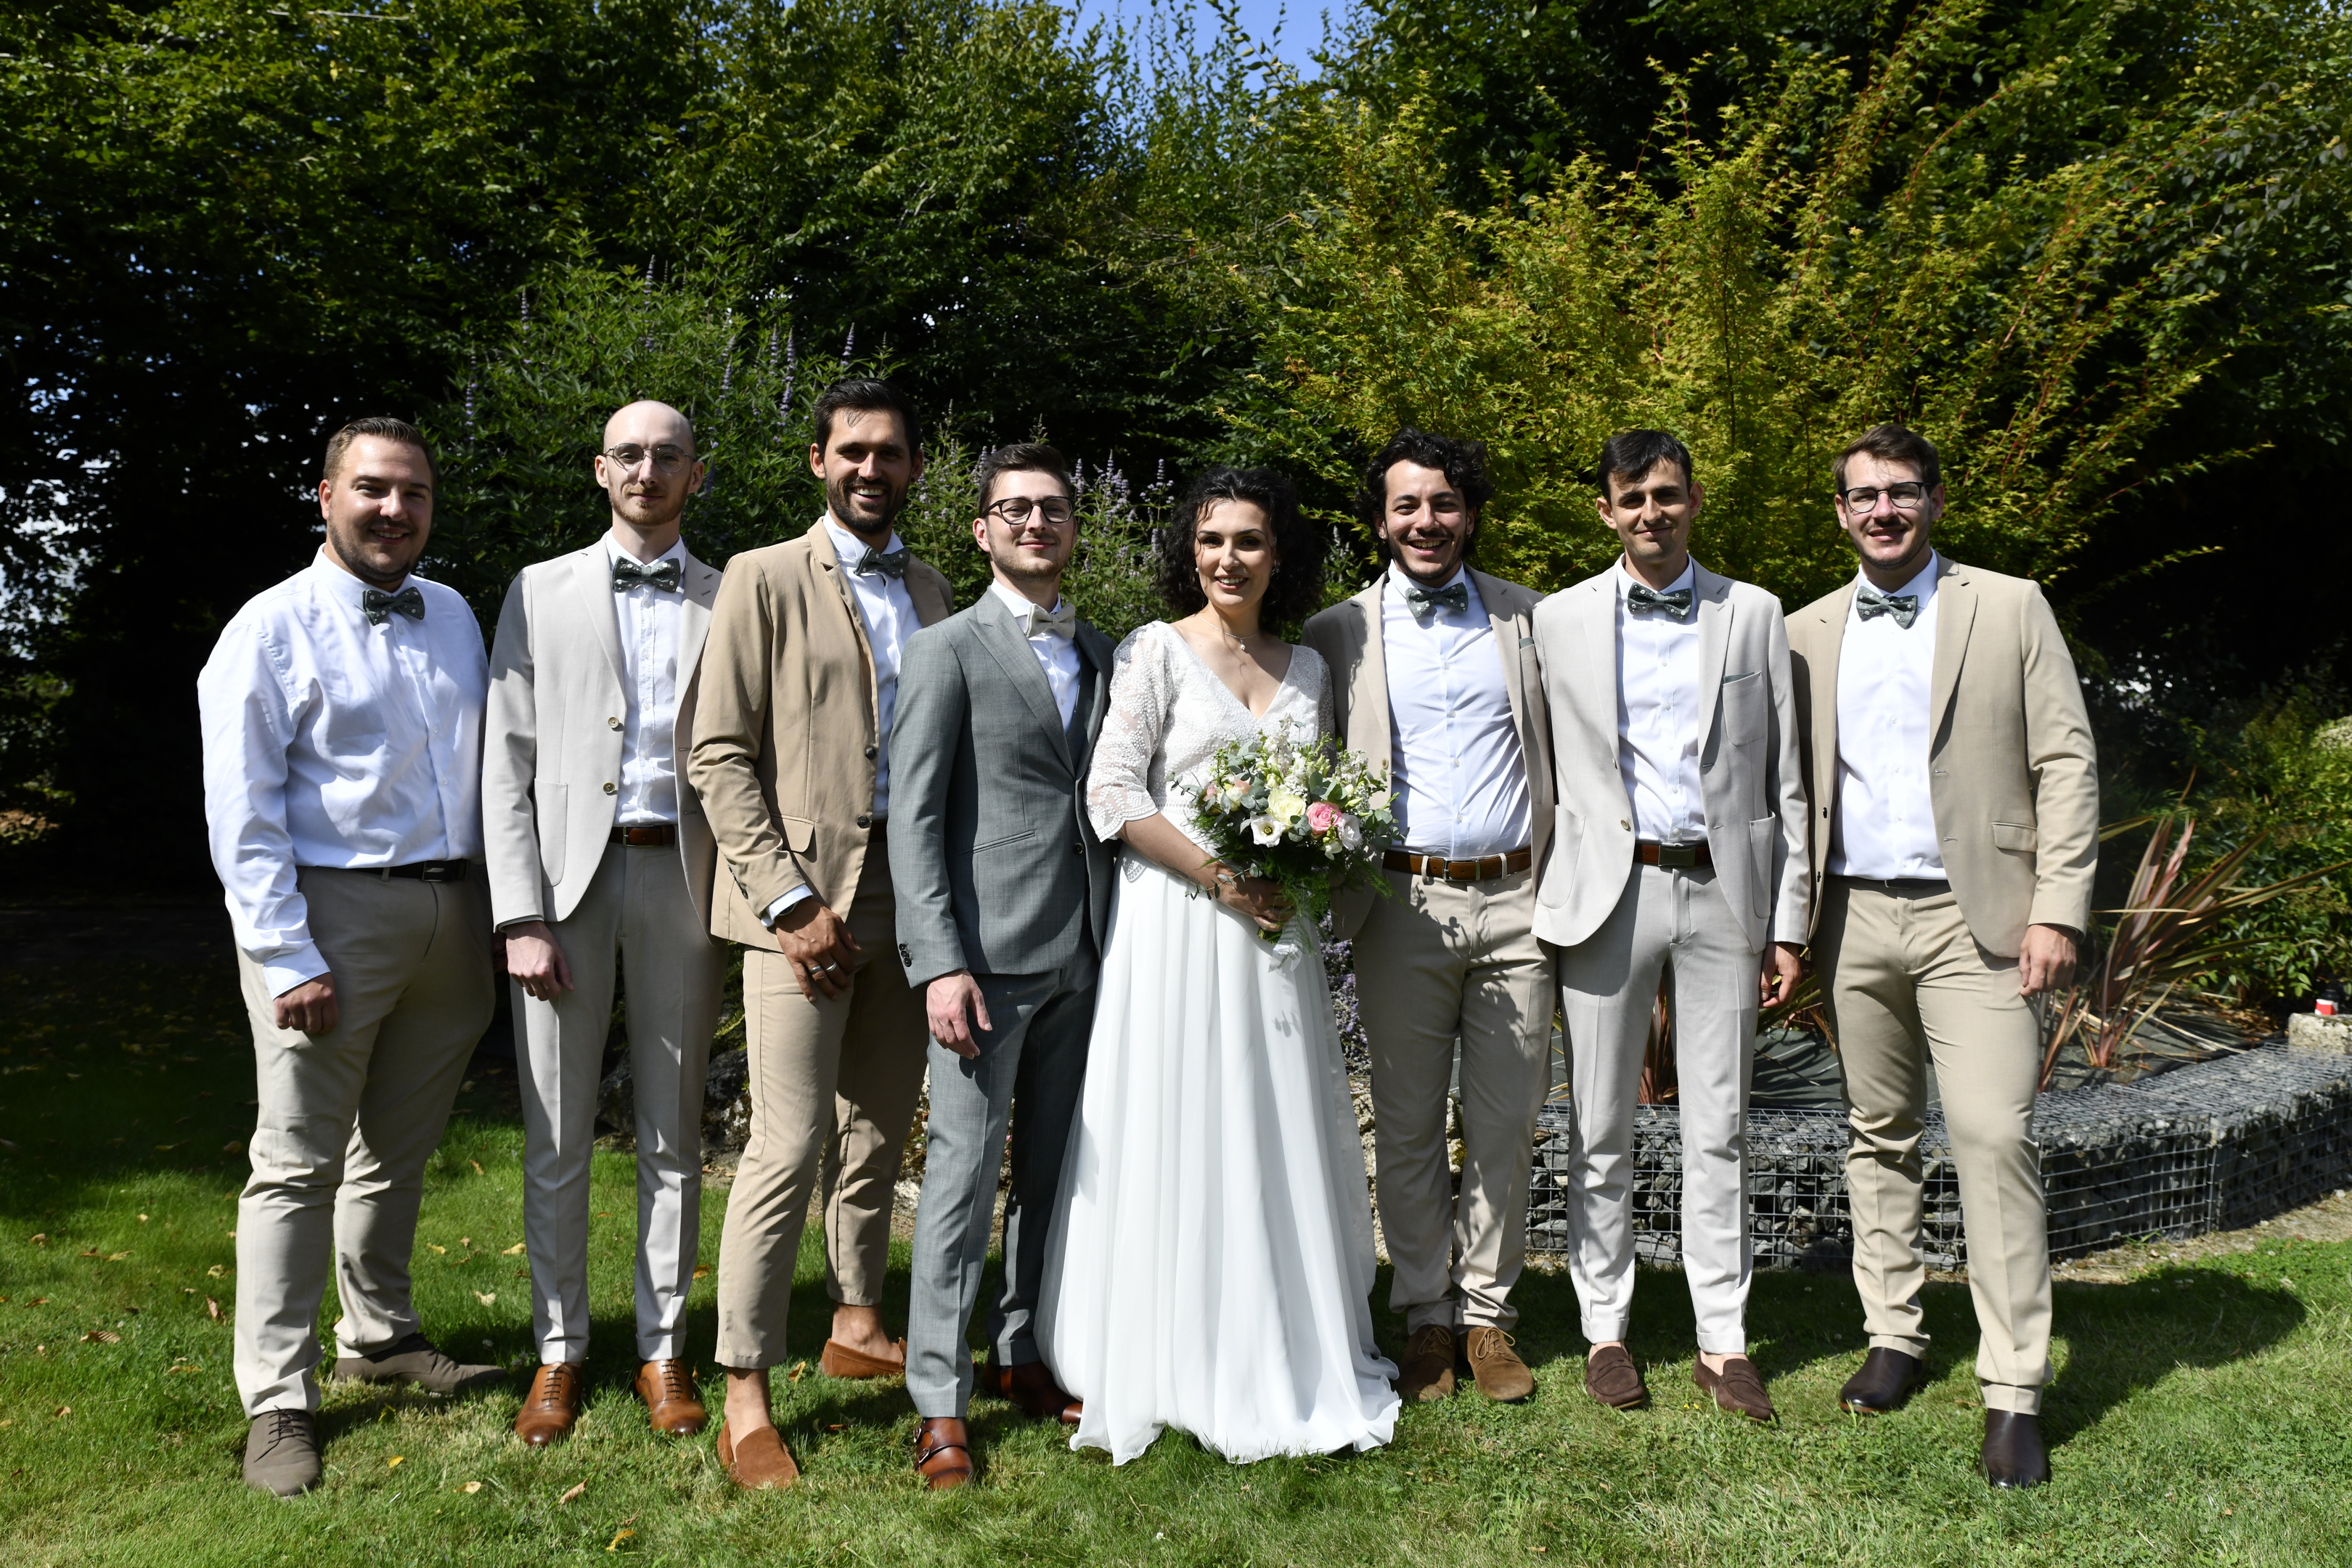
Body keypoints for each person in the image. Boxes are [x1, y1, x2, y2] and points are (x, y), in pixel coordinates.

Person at [1039, 466, 1402, 1465]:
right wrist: (1222, 878)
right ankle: (1165, 1349)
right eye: (1211, 540)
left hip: (1275, 937)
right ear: (1188, 552)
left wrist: (1306, 859)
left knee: (1272, 1122)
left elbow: (1321, 792)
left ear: (1279, 554)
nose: (1229, 559)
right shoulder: (1156, 651)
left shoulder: (1310, 667)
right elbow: (1114, 793)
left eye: (1249, 540)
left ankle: (1277, 1336)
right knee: (1179, 1119)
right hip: (1180, 924)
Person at [1786, 423, 2096, 1488]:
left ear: (1935, 500)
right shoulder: (1804, 630)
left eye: (1902, 491)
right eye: (1864, 495)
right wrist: (1787, 924)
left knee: (1994, 1137)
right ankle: (1895, 1334)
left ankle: (2014, 1389)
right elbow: (1787, 788)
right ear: (1841, 512)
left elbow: (2066, 760)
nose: (1884, 509)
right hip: (1852, 917)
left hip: (1984, 920)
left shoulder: (2010, 605)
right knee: (1877, 1134)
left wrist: (2059, 910)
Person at [199, 417, 502, 1497]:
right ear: (325, 496)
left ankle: (379, 1335)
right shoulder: (268, 627)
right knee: (295, 1166)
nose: (394, 509)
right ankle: (277, 1399)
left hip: (452, 912)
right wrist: (288, 956)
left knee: (397, 1153)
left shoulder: (454, 613)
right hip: (329, 917)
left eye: (414, 492)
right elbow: (243, 814)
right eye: (372, 488)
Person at [684, 378, 954, 1488]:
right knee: (787, 1144)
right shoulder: (760, 576)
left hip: (911, 899)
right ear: (818, 462)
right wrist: (787, 902)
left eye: (889, 453)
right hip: (803, 902)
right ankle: (744, 1389)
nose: (870, 470)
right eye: (852, 452)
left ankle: (856, 1319)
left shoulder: (934, 588)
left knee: (878, 1132)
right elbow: (716, 752)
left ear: (914, 467)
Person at [1530, 430, 1810, 1421]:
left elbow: (1786, 779)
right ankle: (1605, 1331)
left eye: (1667, 493)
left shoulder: (1754, 613)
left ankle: (1722, 1342)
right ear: (1606, 511)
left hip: (1724, 894)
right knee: (1600, 1124)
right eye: (1633, 497)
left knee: (1720, 1128)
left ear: (1693, 500)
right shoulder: (1556, 620)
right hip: (1607, 895)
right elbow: (1541, 769)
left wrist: (1788, 922)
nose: (1652, 511)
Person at [483, 400, 727, 1447]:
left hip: (686, 881)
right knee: (556, 1131)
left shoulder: (732, 595)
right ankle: (559, 1349)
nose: (647, 470)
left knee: (675, 1132)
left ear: (696, 476)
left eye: (667, 456)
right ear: (599, 469)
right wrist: (519, 913)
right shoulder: (538, 591)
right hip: (564, 890)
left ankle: (663, 1348)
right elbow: (506, 760)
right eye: (628, 454)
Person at [1299, 428, 1556, 1405]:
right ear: (1380, 520)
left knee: (1505, 1122)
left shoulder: (1530, 620)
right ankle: (1424, 1318)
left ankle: (1488, 1317)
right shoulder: (1337, 633)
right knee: (1406, 1124)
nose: (1426, 520)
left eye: (1444, 503)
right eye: (1406, 505)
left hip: (1521, 901)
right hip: (1399, 902)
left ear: (1470, 514)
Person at [886, 444, 1118, 1489]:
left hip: (1086, 952)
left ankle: (1024, 1349)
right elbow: (915, 818)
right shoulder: (946, 649)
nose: (1036, 523)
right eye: (1014, 509)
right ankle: (939, 1400)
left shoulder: (1103, 651)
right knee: (960, 1180)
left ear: (1073, 528)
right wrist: (940, 962)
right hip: (983, 964)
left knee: (1055, 1173)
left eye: (1053, 508)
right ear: (981, 530)